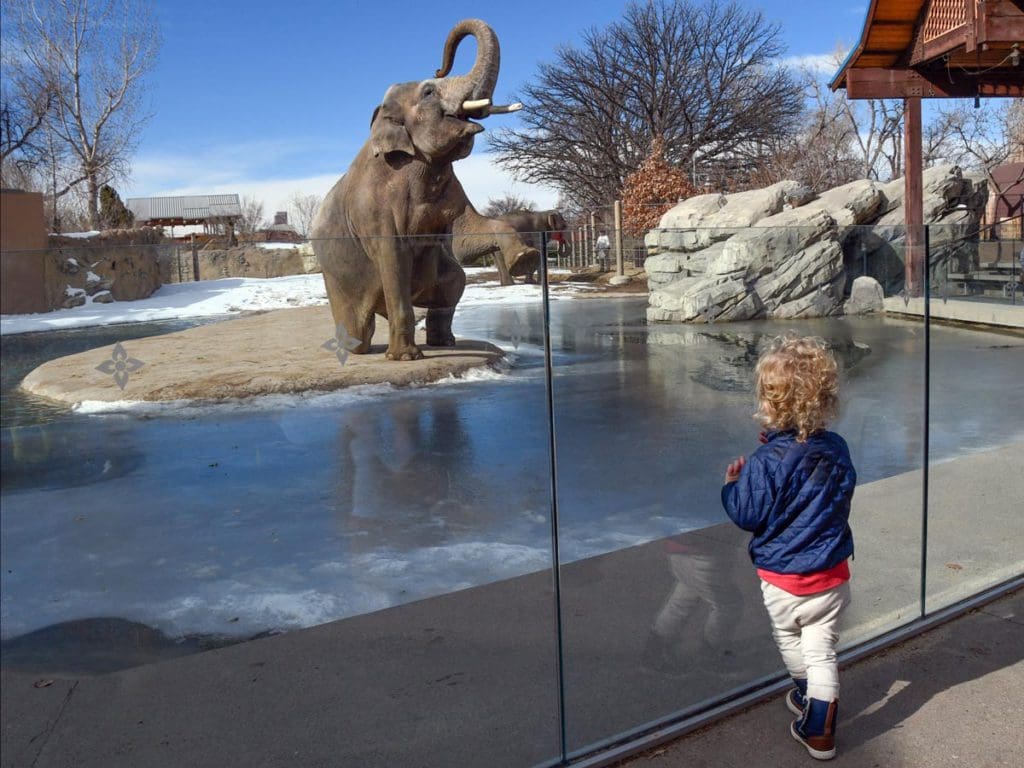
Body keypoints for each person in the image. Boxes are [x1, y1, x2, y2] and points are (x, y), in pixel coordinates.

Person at [721, 334, 856, 761]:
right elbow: (837, 488)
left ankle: (812, 705)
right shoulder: (836, 448)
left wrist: (733, 486)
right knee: (822, 650)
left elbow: (748, 514)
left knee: (791, 640)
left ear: (769, 405)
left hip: (784, 580)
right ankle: (818, 719)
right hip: (832, 575)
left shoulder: (764, 464)